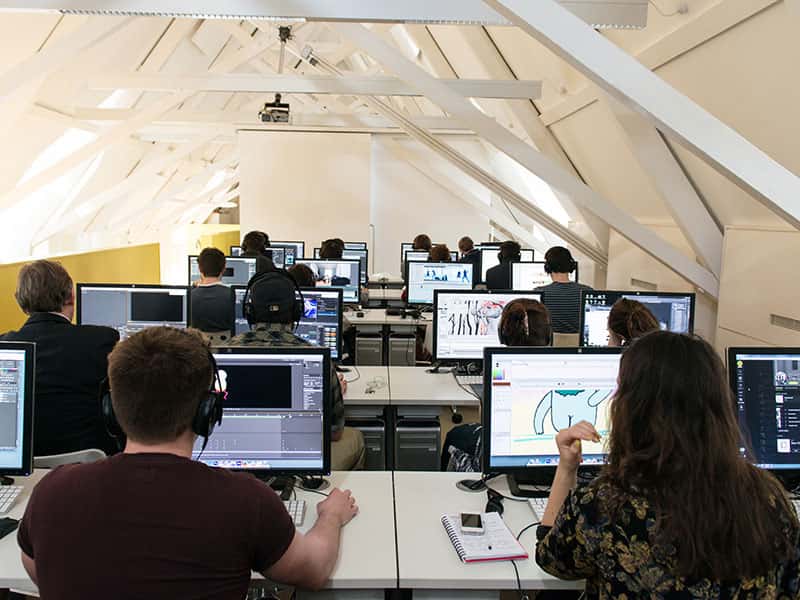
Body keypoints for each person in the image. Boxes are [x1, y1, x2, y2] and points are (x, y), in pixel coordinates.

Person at [17, 327, 359, 598]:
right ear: (206, 413)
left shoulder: (52, 493)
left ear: (111, 408)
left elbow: (36, 569)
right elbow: (313, 570)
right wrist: (330, 516)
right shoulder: (244, 500)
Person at [536, 331, 800, 596]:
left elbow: (551, 559)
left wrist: (567, 466)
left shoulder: (603, 505)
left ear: (634, 408)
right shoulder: (770, 500)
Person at [227, 270, 365, 470]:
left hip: (237, 460)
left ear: (249, 313)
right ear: (297, 311)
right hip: (297, 458)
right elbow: (335, 432)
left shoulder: (220, 355)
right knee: (356, 438)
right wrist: (330, 386)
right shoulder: (315, 357)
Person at [0, 260, 119, 456]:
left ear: (20, 301)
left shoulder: (5, 346)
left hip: (22, 467)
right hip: (89, 462)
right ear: (71, 297)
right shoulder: (102, 340)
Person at [442, 299, 552, 471]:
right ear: (548, 335)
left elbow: (485, 419)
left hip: (498, 458)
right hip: (551, 458)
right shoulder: (562, 365)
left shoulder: (500, 367)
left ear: (502, 333)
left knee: (455, 434)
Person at [535, 246, 593, 334]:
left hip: (549, 347)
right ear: (571, 265)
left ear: (547, 267)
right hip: (578, 347)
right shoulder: (588, 292)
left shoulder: (538, 293)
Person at [190, 247, 235, 334]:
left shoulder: (189, 297)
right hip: (226, 345)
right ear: (224, 269)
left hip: (197, 346)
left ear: (199, 269)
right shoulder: (232, 295)